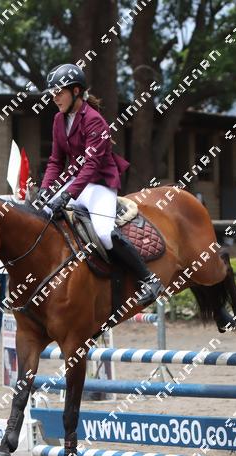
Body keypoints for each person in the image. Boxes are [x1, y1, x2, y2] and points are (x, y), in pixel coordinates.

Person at [35, 63, 164, 306]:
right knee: (41, 215)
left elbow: (91, 165)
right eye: (52, 93)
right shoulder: (58, 119)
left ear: (76, 91)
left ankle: (149, 279)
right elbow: (55, 161)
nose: (54, 98)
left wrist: (67, 194)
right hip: (75, 182)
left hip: (99, 184)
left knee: (104, 233)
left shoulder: (95, 121)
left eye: (58, 92)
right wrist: (45, 188)